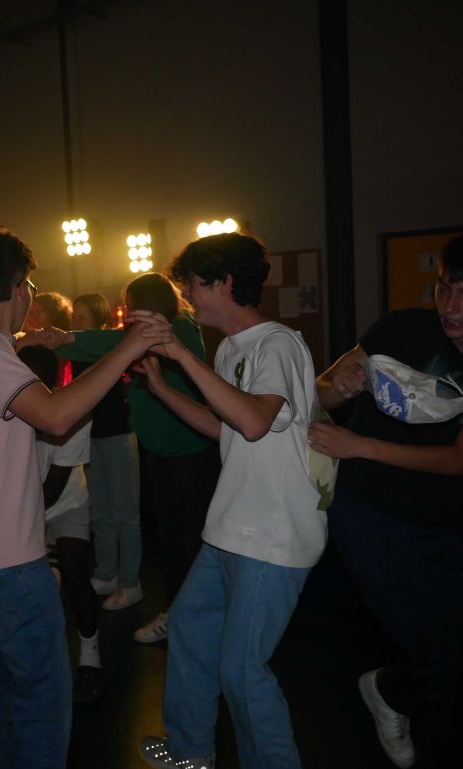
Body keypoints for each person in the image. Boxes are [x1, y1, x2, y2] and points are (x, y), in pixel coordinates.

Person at [0, 225, 171, 768]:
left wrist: (25, 344)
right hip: (4, 561)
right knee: (43, 697)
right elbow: (58, 416)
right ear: (20, 287)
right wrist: (128, 347)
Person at [310, 231, 463, 769]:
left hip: (434, 514)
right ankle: (444, 747)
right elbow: (322, 389)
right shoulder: (402, 328)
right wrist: (342, 386)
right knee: (434, 644)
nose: (450, 305)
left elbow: (461, 458)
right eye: (443, 288)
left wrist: (361, 444)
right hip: (365, 507)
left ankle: (388, 690)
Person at [134, 232, 327, 769]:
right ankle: (193, 752)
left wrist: (179, 353)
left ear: (223, 282)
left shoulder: (278, 344)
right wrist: (163, 388)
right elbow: (226, 428)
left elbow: (255, 419)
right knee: (191, 632)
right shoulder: (229, 350)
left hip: (272, 536)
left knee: (242, 670)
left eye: (193, 285)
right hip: (232, 528)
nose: (187, 297)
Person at [33, 273, 220, 642]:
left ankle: (190, 618)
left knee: (187, 544)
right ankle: (181, 614)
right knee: (171, 542)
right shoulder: (151, 335)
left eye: (132, 305)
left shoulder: (179, 329)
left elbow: (114, 343)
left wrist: (69, 338)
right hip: (165, 455)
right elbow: (110, 347)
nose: (127, 312)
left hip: (190, 457)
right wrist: (58, 341)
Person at [17, 344, 103, 704]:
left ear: (51, 385)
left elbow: (53, 489)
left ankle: (90, 656)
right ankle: (35, 658)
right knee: (27, 583)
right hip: (23, 501)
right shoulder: (9, 407)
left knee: (74, 569)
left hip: (65, 501)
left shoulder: (74, 413)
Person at [72, 292, 141, 611]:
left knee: (125, 514)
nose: (75, 323)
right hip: (92, 436)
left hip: (117, 435)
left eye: (81, 318)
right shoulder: (77, 348)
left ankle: (131, 583)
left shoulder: (110, 345)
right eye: (74, 317)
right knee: (99, 511)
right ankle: (106, 574)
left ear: (98, 319)